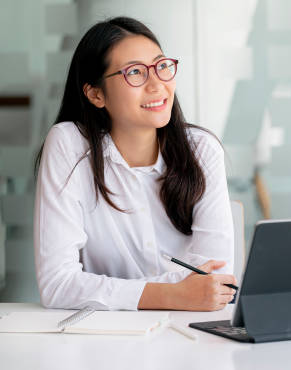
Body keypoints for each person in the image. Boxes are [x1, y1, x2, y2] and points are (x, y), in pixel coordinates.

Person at [34, 17, 237, 311]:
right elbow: (57, 285)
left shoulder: (202, 150)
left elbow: (216, 280)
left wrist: (111, 291)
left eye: (161, 66)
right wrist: (173, 294)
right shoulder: (70, 146)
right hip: (105, 338)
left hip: (189, 333)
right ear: (95, 94)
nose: (157, 85)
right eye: (135, 73)